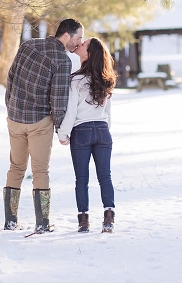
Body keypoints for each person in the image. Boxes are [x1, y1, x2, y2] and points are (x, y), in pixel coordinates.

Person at [3, 18, 83, 232]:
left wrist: (10, 107)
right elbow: (58, 99)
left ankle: (10, 221)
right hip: (39, 122)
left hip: (15, 119)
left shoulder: (28, 45)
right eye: (78, 38)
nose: (79, 43)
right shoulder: (62, 60)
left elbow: (11, 77)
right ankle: (42, 223)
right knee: (40, 171)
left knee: (16, 167)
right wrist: (60, 129)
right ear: (66, 35)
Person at [58, 37, 118, 233]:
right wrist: (105, 129)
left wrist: (63, 133)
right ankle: (108, 217)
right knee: (105, 176)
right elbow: (108, 113)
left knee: (81, 179)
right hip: (102, 131)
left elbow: (72, 112)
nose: (80, 43)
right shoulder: (106, 79)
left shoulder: (76, 80)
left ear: (89, 54)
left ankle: (83, 221)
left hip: (81, 132)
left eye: (84, 44)